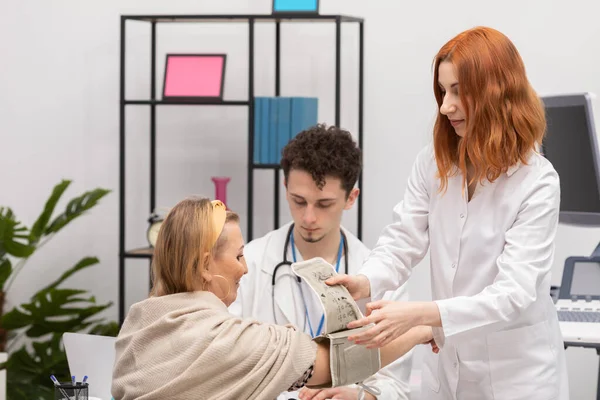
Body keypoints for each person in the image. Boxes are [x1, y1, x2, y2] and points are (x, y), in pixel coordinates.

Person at [326, 26, 569, 400]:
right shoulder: (434, 162)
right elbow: (403, 238)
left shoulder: (536, 182)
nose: (445, 106)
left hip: (517, 375)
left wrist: (422, 314)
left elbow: (513, 294)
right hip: (450, 366)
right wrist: (367, 280)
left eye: (458, 91)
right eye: (443, 91)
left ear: (495, 93)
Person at [111, 197, 432, 400]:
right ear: (206, 266)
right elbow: (345, 363)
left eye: (324, 204)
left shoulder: (137, 325)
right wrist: (426, 327)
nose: (246, 268)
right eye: (238, 257)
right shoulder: (233, 342)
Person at [229, 124, 413, 400]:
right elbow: (227, 365)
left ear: (351, 198)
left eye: (324, 204)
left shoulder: (380, 274)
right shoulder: (250, 264)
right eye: (298, 201)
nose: (308, 218)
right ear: (285, 187)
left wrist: (362, 398)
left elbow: (397, 385)